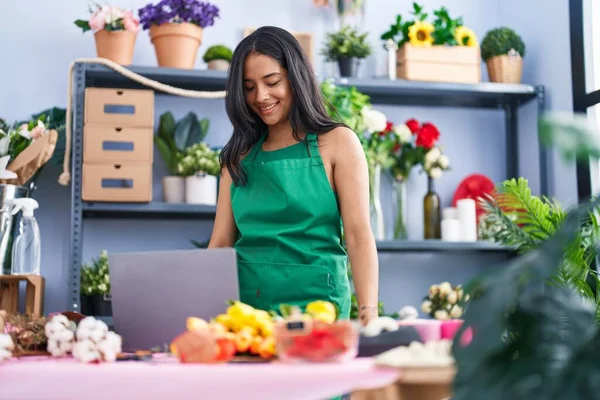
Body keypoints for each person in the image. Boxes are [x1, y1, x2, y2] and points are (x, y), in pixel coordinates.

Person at [208, 26, 379, 326]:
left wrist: (368, 312)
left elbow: (358, 234)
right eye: (248, 87)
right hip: (247, 311)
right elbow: (220, 243)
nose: (260, 96)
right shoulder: (238, 157)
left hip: (319, 309)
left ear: (295, 77)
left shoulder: (337, 143)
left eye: (271, 82)